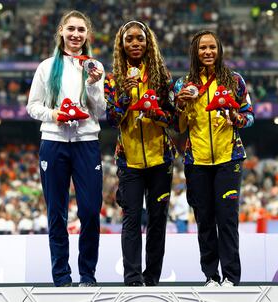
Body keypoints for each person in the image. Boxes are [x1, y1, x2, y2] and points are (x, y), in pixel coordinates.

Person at [26, 10, 105, 287]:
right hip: (54, 143)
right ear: (61, 31)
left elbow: (100, 111)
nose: (75, 35)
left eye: (81, 30)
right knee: (56, 212)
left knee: (90, 211)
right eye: (71, 29)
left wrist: (94, 85)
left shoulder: (95, 66)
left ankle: (87, 276)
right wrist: (55, 115)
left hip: (86, 143)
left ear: (87, 35)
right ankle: (61, 277)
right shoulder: (46, 67)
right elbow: (33, 106)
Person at [173, 30, 254, 287]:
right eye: (202, 48)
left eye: (212, 47)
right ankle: (210, 276)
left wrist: (236, 118)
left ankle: (231, 277)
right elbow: (177, 126)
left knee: (227, 220)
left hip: (228, 159)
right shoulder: (183, 84)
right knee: (205, 220)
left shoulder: (234, 81)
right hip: (196, 161)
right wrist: (182, 105)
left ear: (219, 50)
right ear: (194, 52)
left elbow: (249, 116)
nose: (207, 52)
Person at [105, 20, 176, 286]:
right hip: (129, 161)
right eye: (129, 39)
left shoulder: (162, 77)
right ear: (121, 45)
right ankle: (132, 278)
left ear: (149, 42)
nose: (135, 43)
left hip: (161, 160)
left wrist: (157, 114)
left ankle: (153, 278)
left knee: (157, 221)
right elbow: (112, 120)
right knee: (132, 220)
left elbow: (173, 119)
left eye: (140, 39)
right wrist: (125, 94)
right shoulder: (113, 79)